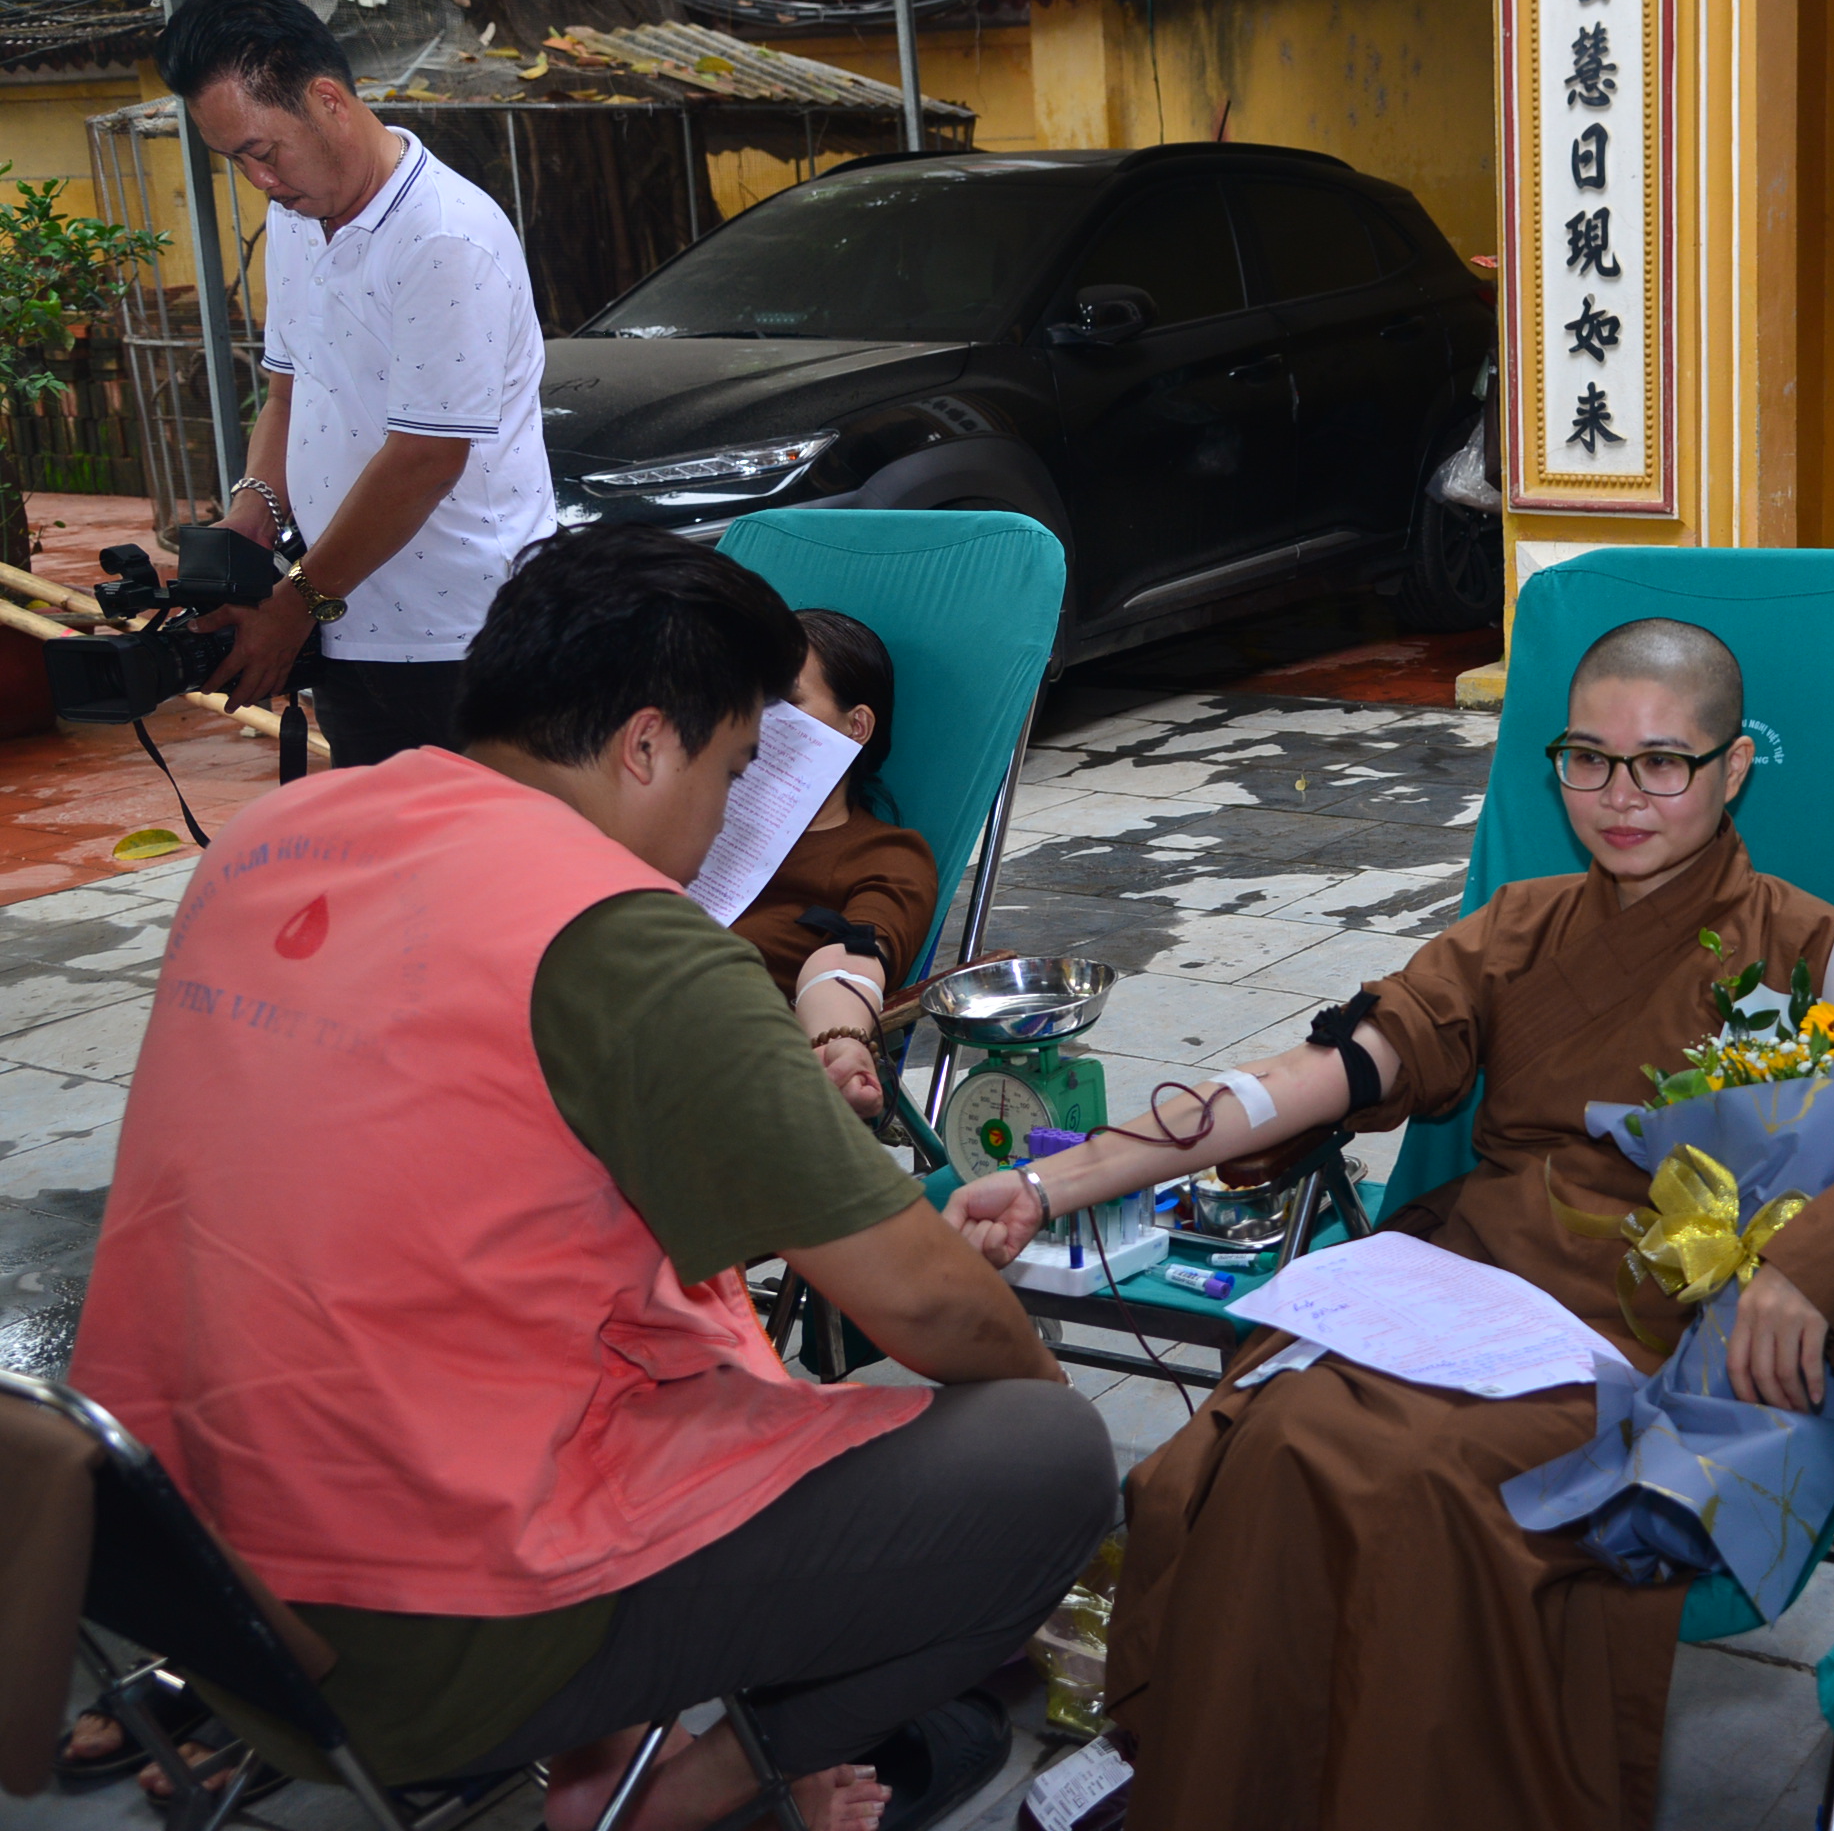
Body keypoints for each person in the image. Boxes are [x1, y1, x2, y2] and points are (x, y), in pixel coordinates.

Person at [942, 618, 1834, 1830]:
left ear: (1733, 767)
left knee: (1426, 1489)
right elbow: (1317, 1074)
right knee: (1266, 1442)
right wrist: (1059, 1183)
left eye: (1662, 762)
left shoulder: (1812, 955)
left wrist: (1816, 1253)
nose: (1619, 797)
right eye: (1587, 758)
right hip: (1465, 1284)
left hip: (1649, 1337)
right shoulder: (1516, 930)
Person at [67, 525, 1112, 1831]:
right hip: (421, 1640)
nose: (724, 823)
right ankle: (696, 1788)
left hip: (186, 1572)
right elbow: (930, 1305)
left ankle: (614, 1754)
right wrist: (1029, 1378)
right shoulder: (620, 936)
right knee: (1046, 1459)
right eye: (736, 771)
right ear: (648, 745)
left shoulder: (274, 835)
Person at [156, 0, 555, 766]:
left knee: (489, 841)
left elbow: (425, 458)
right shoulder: (296, 216)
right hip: (346, 623)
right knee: (385, 841)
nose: (259, 181)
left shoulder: (445, 239)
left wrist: (293, 604)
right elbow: (289, 387)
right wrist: (254, 511)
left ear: (329, 101)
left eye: (263, 152)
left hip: (467, 639)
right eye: (236, 161)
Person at [732, 609, 940, 1118]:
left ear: (856, 726)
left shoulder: (882, 855)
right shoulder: (685, 825)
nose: (758, 717)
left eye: (785, 700)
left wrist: (836, 1040)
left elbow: (851, 955)